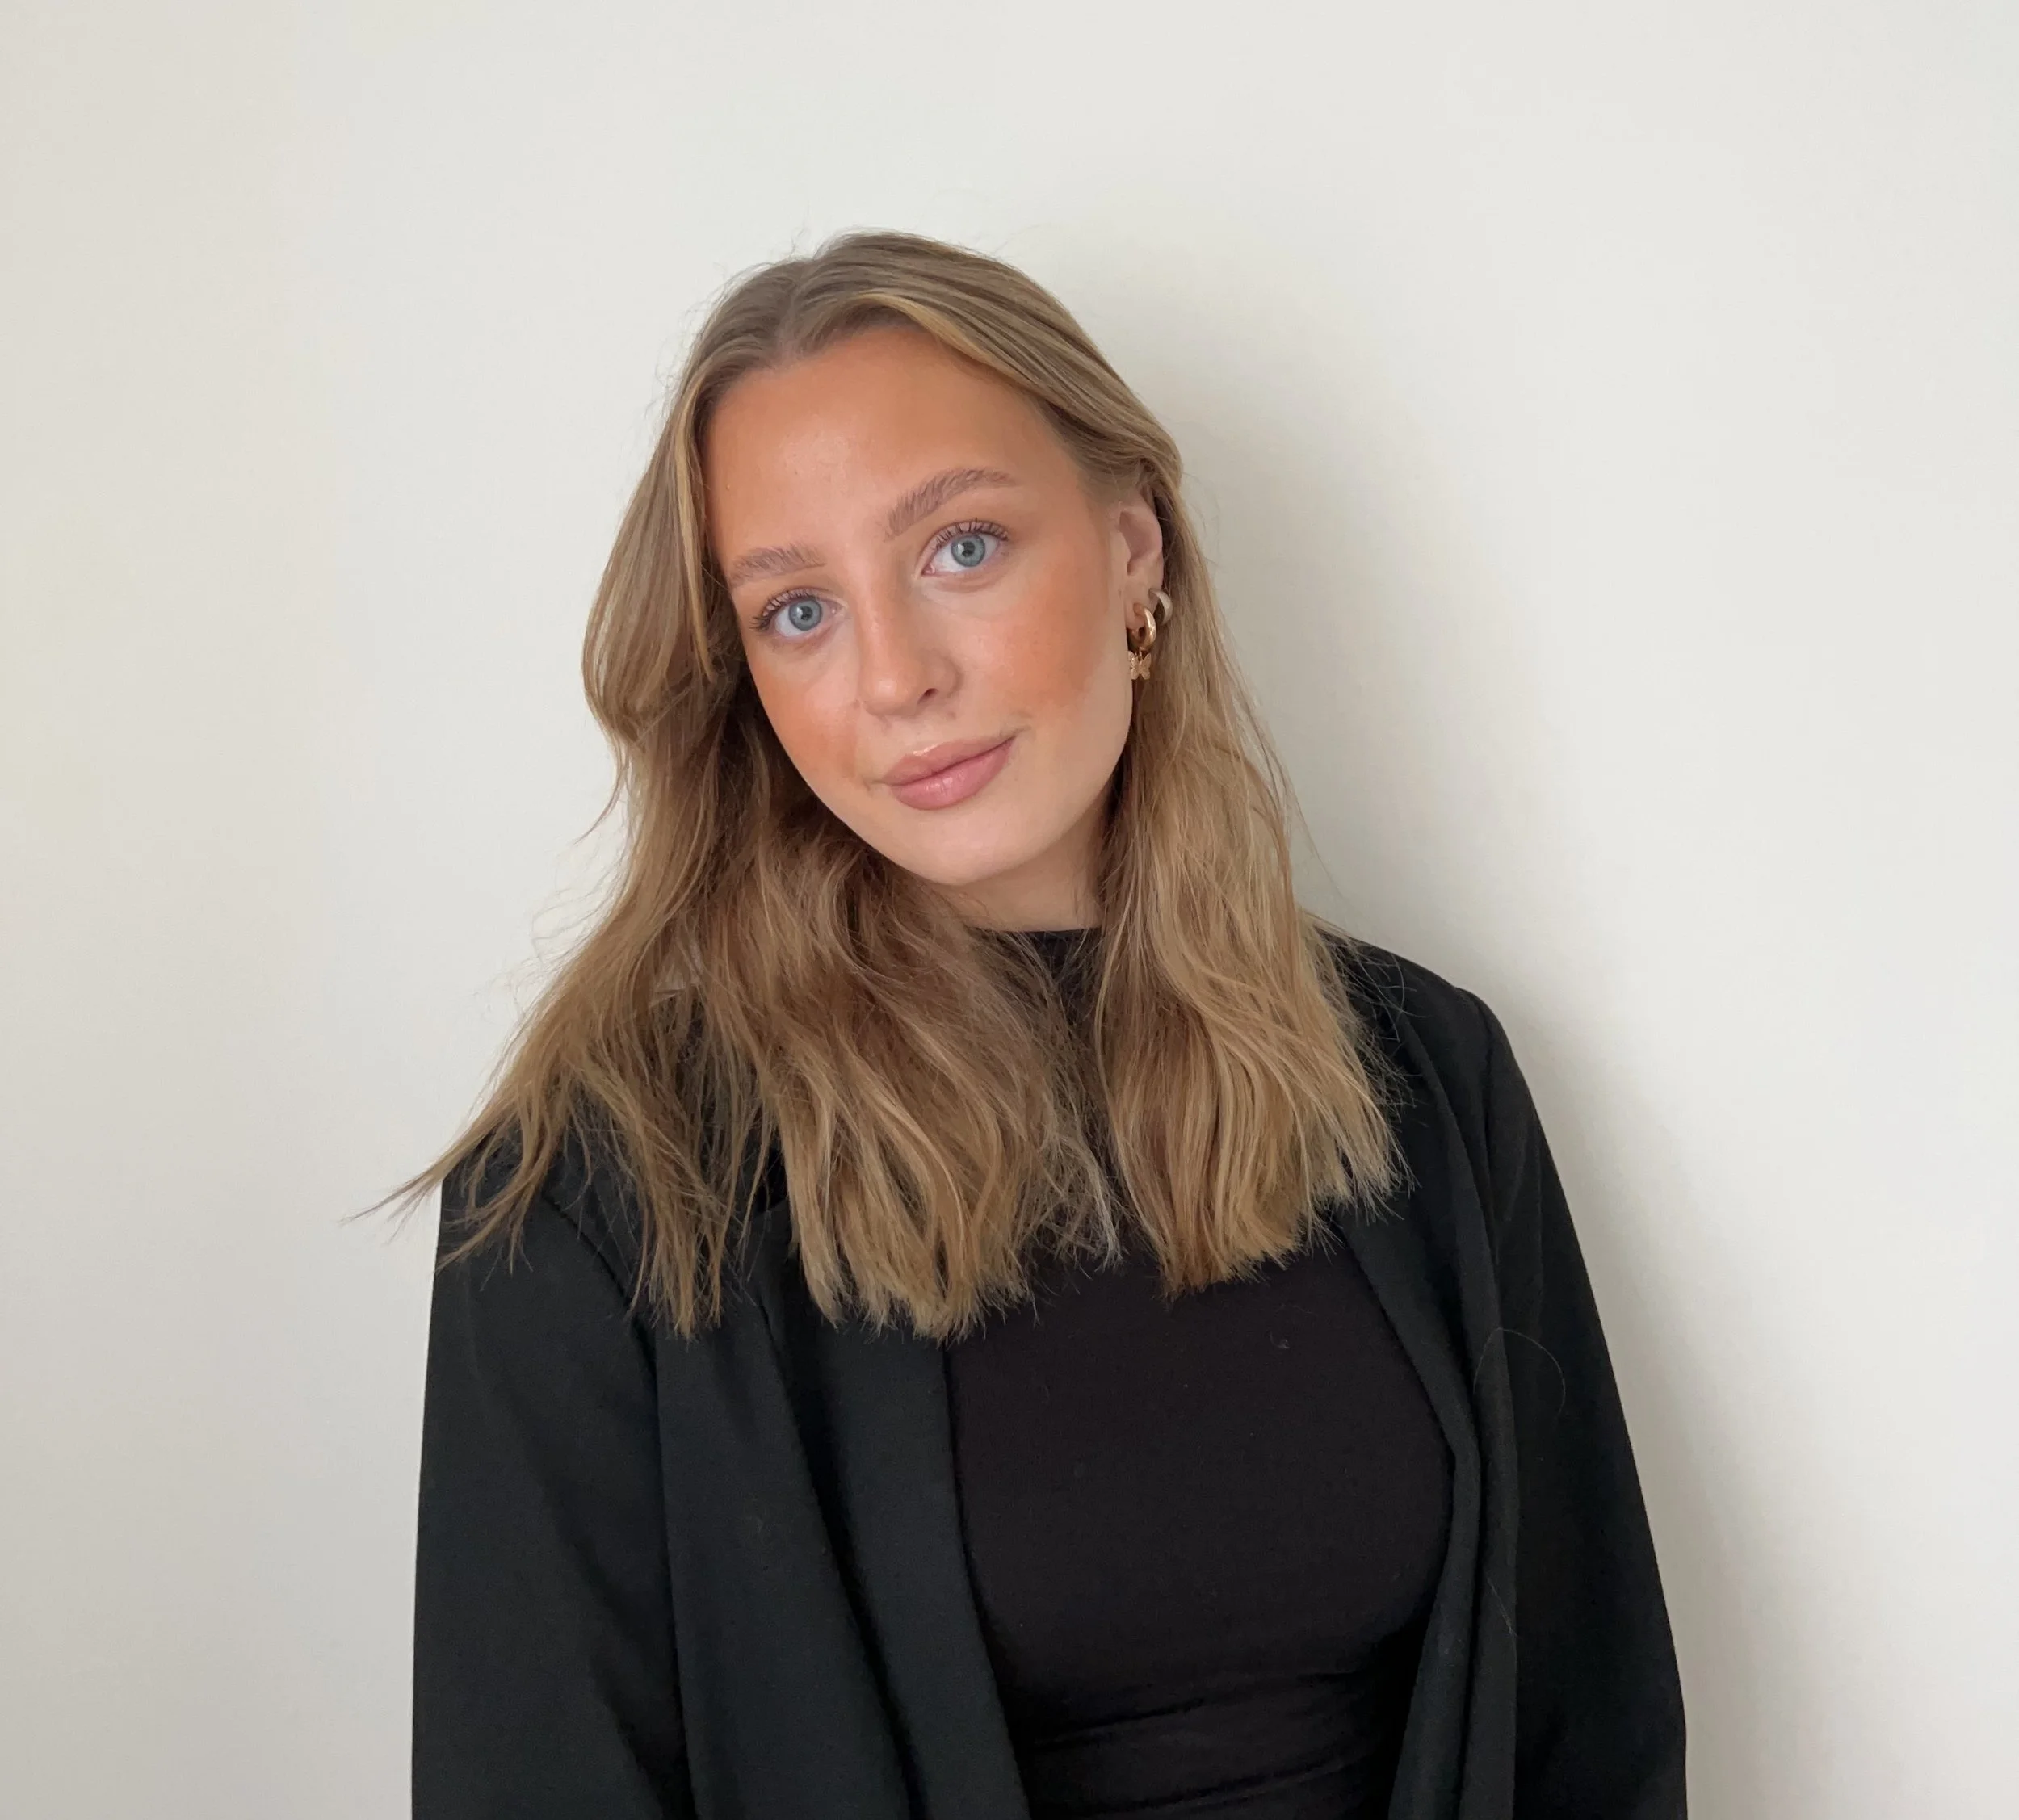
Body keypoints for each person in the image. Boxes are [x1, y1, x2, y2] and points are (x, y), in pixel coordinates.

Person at [392, 229, 1686, 1818]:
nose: (894, 675)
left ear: (1133, 546)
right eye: (797, 610)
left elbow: (1587, 1729)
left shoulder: (1421, 1075)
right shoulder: (603, 1188)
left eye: (958, 549)